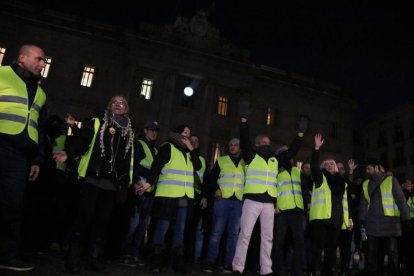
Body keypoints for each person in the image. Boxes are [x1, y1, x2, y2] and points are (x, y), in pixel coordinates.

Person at [54, 95, 135, 273]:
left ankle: (94, 259)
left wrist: (126, 180)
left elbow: (128, 158)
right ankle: (73, 259)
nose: (118, 105)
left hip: (112, 183)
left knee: (102, 222)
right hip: (92, 178)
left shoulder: (128, 131)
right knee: (84, 218)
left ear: (126, 108)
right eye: (114, 102)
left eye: (122, 103)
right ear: (109, 106)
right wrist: (68, 153)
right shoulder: (97, 123)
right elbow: (82, 141)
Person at [232, 101, 307, 275]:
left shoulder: (275, 160)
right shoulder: (251, 156)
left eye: (269, 142)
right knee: (245, 235)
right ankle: (238, 267)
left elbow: (292, 151)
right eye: (264, 142)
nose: (267, 144)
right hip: (251, 201)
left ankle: (266, 269)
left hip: (268, 204)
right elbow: (244, 140)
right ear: (257, 144)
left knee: (268, 238)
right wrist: (243, 120)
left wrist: (300, 134)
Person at [0, 44, 47, 272]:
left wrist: (38, 159)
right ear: (21, 57)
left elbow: (40, 128)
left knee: (13, 205)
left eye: (44, 61)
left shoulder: (40, 92)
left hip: (21, 155)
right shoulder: (2, 74)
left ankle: (8, 255)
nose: (42, 64)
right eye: (39, 59)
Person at [139, 124, 201, 274]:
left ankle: (178, 263)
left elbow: (198, 166)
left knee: (180, 230)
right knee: (162, 229)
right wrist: (148, 182)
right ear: (177, 134)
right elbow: (157, 165)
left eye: (189, 133)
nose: (187, 136)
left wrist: (191, 148)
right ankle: (155, 262)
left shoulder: (188, 152)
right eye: (185, 132)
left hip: (184, 197)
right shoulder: (168, 147)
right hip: (168, 196)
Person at [309, 133, 353, 276]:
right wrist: (316, 149)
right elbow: (314, 167)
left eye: (332, 164)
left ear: (336, 168)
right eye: (327, 164)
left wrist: (348, 219)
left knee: (331, 250)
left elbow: (346, 203)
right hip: (321, 220)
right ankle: (313, 271)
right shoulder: (320, 177)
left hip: (336, 221)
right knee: (317, 249)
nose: (329, 165)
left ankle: (328, 272)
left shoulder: (342, 182)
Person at [358, 158, 411, 276]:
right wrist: (361, 221)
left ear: (376, 168)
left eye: (369, 169)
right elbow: (363, 205)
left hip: (390, 225)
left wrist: (406, 220)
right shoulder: (365, 184)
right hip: (372, 226)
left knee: (392, 255)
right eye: (365, 169)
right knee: (372, 256)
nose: (367, 171)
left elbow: (401, 201)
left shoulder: (391, 180)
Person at [120, 120, 160, 267]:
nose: (154, 132)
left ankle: (135, 254)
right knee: (133, 225)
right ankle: (126, 254)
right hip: (138, 192)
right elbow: (132, 165)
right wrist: (136, 181)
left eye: (156, 130)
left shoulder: (155, 150)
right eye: (151, 130)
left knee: (143, 226)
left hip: (149, 193)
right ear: (145, 130)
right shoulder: (138, 144)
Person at [203, 138, 245, 273]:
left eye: (235, 145)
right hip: (222, 200)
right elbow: (212, 178)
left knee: (234, 234)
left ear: (240, 147)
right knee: (216, 232)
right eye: (231, 145)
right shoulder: (221, 160)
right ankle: (210, 262)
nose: (233, 147)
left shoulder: (246, 162)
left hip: (239, 201)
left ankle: (228, 264)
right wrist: (216, 189)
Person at [273, 146, 310, 276]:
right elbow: (271, 189)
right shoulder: (275, 170)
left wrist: (308, 203)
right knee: (279, 242)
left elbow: (304, 189)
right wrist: (274, 205)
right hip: (281, 211)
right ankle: (278, 270)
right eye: (284, 153)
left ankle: (296, 270)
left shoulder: (296, 170)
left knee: (299, 242)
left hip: (297, 211)